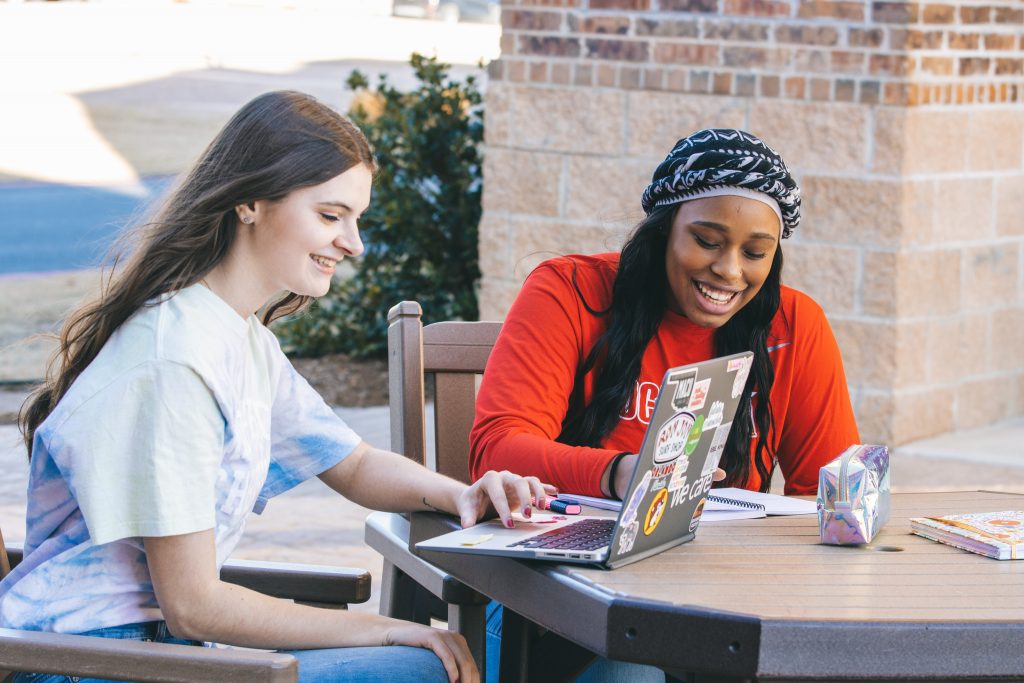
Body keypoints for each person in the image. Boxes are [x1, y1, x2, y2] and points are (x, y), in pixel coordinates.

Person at [0, 91, 553, 683]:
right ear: (250, 203)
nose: (354, 243)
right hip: (88, 664)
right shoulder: (174, 360)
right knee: (439, 664)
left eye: (355, 218)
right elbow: (194, 606)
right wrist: (383, 626)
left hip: (157, 652)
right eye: (330, 215)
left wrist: (459, 496)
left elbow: (355, 463)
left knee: (503, 641)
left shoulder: (237, 339)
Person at [469, 129, 860, 681]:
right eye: (706, 240)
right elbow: (495, 450)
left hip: (719, 595)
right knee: (633, 667)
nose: (729, 270)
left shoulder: (793, 326)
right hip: (556, 601)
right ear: (663, 230)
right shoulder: (570, 291)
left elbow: (832, 493)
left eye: (755, 253)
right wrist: (621, 474)